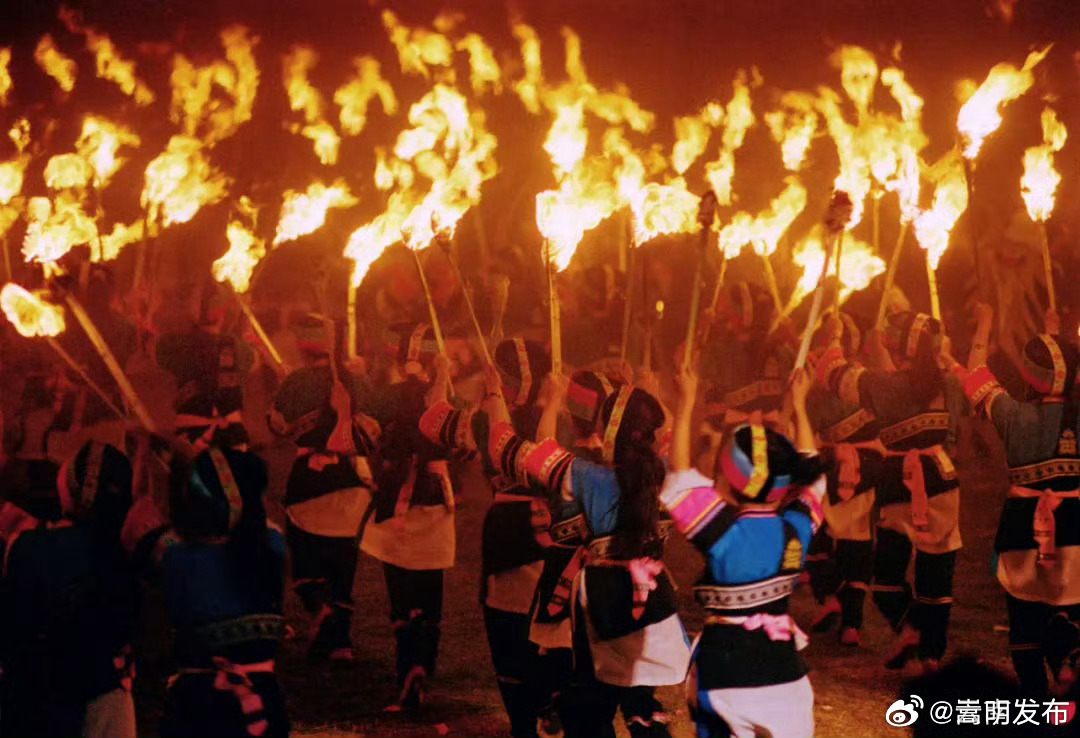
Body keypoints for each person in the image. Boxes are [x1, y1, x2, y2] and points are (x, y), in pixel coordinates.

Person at [481, 367, 690, 738]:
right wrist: (678, 401)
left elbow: (506, 447)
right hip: (655, 607)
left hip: (604, 608)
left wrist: (496, 395)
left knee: (587, 713)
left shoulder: (587, 478)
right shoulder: (669, 475)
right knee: (642, 705)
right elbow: (675, 440)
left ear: (610, 432)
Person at [662, 362, 826, 738]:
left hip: (723, 675)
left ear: (727, 482)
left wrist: (686, 402)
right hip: (786, 677)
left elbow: (679, 479)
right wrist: (800, 406)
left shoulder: (722, 531)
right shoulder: (795, 531)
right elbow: (814, 481)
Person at [816, 311, 964, 671]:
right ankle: (929, 651)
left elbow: (831, 374)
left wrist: (834, 338)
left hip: (900, 481)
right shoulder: (950, 382)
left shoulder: (886, 386)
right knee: (936, 579)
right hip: (940, 478)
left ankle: (913, 633)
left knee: (887, 582)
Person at [419, 338, 552, 737]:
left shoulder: (483, 421)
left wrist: (441, 378)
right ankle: (547, 709)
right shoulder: (562, 419)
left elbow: (432, 421)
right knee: (552, 630)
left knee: (511, 633)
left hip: (510, 533)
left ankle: (525, 724)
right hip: (559, 536)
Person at [946, 304, 1080, 695]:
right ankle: (1069, 665)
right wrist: (1057, 340)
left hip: (1023, 524)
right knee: (1069, 606)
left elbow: (974, 374)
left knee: (1023, 615)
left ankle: (1038, 699)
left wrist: (985, 322)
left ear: (1027, 376)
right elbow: (1062, 371)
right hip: (1074, 520)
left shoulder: (1012, 415)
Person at [122, 445, 289, 737]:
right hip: (264, 699)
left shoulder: (175, 556)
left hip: (199, 705)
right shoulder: (272, 545)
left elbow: (136, 530)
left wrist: (152, 468)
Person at [0, 440, 139, 738]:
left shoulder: (28, 548)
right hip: (106, 701)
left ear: (73, 487)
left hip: (39, 703)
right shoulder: (125, 552)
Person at [269, 316, 378, 661]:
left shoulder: (297, 381)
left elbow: (277, 427)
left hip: (310, 483)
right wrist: (360, 377)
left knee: (305, 559)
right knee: (344, 564)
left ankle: (319, 605)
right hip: (352, 482)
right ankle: (341, 643)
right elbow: (375, 427)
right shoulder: (357, 380)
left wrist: (286, 385)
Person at [362, 324, 456, 710]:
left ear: (402, 359)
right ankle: (422, 665)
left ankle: (408, 669)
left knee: (401, 599)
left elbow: (360, 437)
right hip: (435, 503)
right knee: (429, 598)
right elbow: (465, 450)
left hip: (394, 503)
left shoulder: (387, 397)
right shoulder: (450, 403)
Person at [156, 281, 254, 452]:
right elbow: (251, 360)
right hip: (231, 439)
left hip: (192, 440)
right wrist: (243, 329)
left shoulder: (174, 344)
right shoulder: (239, 348)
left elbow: (149, 346)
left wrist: (147, 316)